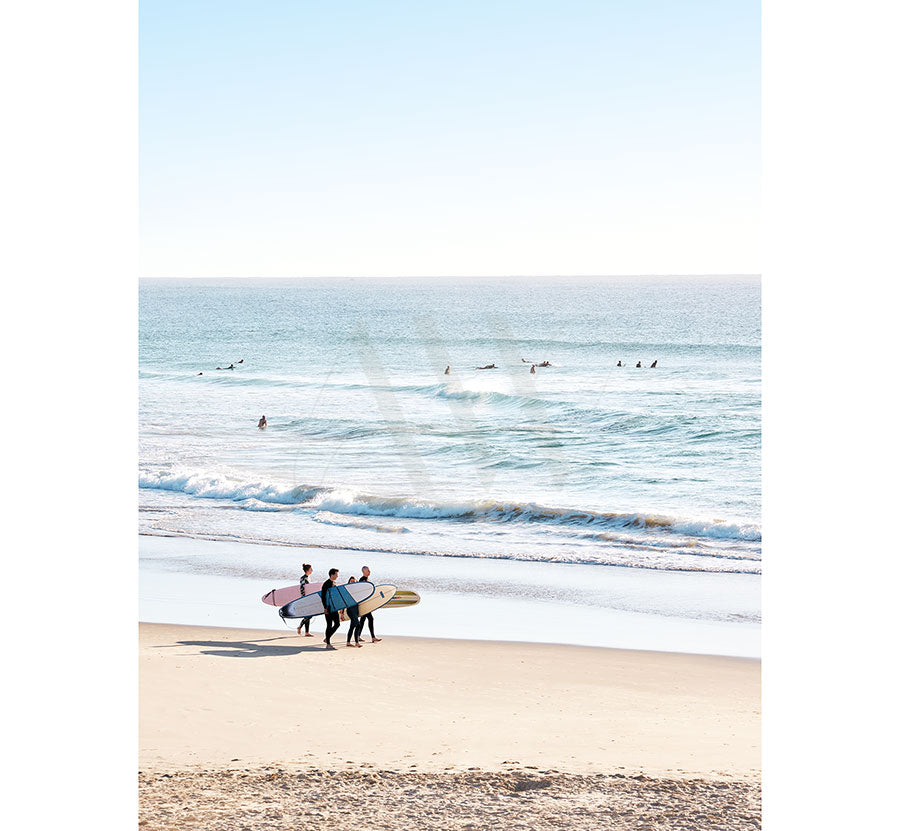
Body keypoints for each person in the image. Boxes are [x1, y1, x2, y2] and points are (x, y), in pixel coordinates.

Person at [358, 566, 382, 642]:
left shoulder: (366, 579)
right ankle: (373, 637)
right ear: (364, 572)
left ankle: (358, 636)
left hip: (366, 603)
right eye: (368, 570)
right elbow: (362, 592)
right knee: (370, 619)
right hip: (364, 603)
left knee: (363, 619)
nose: (370, 571)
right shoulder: (362, 580)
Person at [321, 568, 341, 650]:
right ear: (332, 575)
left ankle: (327, 638)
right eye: (336, 574)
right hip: (328, 607)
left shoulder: (334, 583)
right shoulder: (326, 584)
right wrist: (325, 607)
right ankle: (328, 643)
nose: (337, 576)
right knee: (329, 625)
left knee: (337, 624)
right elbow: (323, 597)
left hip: (334, 607)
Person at [344, 577, 363, 648]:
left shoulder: (357, 591)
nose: (352, 583)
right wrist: (342, 612)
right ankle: (357, 642)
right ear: (348, 582)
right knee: (358, 625)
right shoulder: (347, 591)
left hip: (356, 610)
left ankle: (348, 642)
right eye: (351, 581)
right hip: (350, 610)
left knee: (352, 627)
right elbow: (344, 602)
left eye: (354, 582)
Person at [296, 563, 313, 636]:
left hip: (308, 598)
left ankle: (306, 632)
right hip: (305, 599)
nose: (312, 570)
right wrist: (304, 599)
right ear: (307, 570)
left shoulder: (307, 578)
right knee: (309, 615)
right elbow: (302, 589)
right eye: (311, 569)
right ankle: (300, 627)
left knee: (308, 614)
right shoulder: (304, 578)